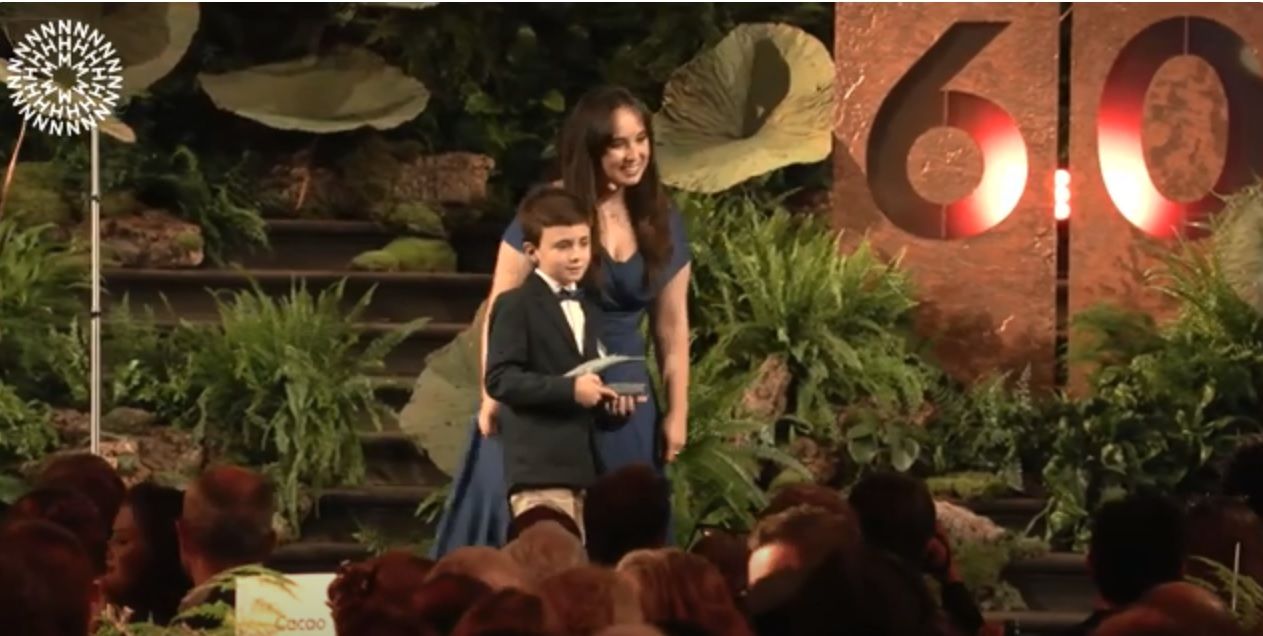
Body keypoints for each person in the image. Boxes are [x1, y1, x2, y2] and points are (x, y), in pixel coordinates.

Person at [431, 84, 693, 556]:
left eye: (641, 139)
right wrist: (491, 395)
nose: (634, 154)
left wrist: (678, 412)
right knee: (534, 543)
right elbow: (501, 305)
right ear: (590, 147)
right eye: (618, 143)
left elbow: (672, 329)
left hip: (627, 404)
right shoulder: (550, 209)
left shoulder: (661, 217)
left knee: (624, 539)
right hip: (544, 390)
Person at [483, 185, 620, 535]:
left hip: (583, 473)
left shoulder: (588, 306)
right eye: (563, 246)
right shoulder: (516, 304)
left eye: (583, 243)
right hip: (539, 473)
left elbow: (585, 383)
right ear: (532, 252)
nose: (576, 255)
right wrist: (570, 390)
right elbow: (500, 379)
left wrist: (611, 406)